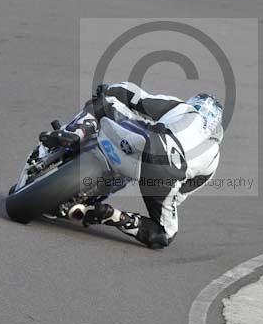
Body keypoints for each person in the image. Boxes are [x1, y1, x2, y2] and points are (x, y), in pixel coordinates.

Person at [38, 82, 223, 249]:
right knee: (164, 233)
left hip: (150, 142)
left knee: (105, 102)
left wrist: (110, 89)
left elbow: (136, 96)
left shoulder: (184, 108)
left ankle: (76, 132)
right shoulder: (214, 157)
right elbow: (179, 196)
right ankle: (116, 217)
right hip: (166, 176)